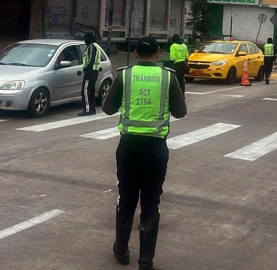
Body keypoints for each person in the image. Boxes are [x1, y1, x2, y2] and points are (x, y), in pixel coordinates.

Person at [103, 36, 187, 270]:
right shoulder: (168, 77)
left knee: (127, 198)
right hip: (155, 149)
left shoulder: (125, 75)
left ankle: (121, 250)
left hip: (128, 147)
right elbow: (181, 112)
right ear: (158, 53)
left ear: (136, 54)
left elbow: (108, 108)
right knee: (151, 204)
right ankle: (146, 263)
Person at [79, 33, 102, 116]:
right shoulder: (96, 46)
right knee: (91, 91)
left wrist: (85, 68)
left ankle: (88, 110)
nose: (85, 41)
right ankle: (92, 109)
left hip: (90, 72)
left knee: (85, 91)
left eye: (85, 39)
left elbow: (91, 59)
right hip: (94, 71)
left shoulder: (92, 46)